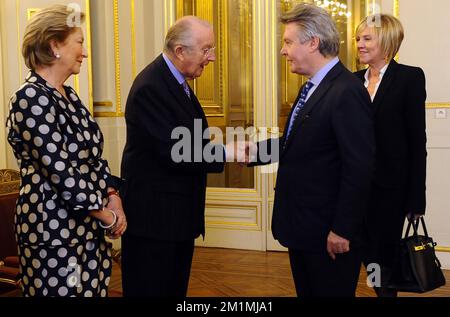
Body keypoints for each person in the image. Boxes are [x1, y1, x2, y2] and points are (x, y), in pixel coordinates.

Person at [248, 4, 375, 297]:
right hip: (305, 228)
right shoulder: (313, 88)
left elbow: (359, 167)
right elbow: (298, 144)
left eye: (288, 42)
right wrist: (250, 153)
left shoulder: (346, 91)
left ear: (313, 42)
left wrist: (342, 229)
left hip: (328, 233)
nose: (283, 51)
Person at [5, 5, 127, 297]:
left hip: (88, 228)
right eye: (80, 42)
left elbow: (94, 158)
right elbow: (59, 170)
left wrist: (113, 197)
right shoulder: (29, 97)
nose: (84, 52)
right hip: (53, 231)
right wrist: (105, 215)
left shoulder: (69, 96)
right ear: (54, 45)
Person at [120, 16, 241, 297]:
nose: (210, 58)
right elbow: (175, 151)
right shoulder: (152, 86)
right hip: (155, 223)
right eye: (206, 49)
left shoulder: (176, 84)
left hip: (175, 220)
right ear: (180, 51)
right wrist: (225, 151)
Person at [354, 14, 427, 297]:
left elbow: (416, 142)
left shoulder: (409, 77)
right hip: (353, 188)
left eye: (366, 38)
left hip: (390, 191)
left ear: (387, 42)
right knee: (357, 252)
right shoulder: (351, 81)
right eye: (358, 39)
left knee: (382, 259)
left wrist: (416, 198)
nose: (359, 44)